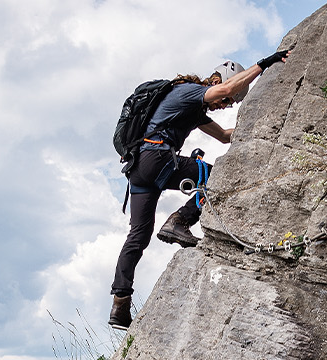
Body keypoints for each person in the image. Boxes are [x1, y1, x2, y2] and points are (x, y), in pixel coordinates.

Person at [109, 49, 291, 330]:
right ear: (218, 80)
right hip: (156, 158)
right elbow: (229, 87)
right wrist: (265, 64)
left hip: (140, 169)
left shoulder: (195, 110)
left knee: (139, 234)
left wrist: (266, 123)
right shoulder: (189, 92)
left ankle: (120, 304)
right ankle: (180, 220)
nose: (227, 103)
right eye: (227, 99)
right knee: (217, 175)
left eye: (231, 103)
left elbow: (223, 136)